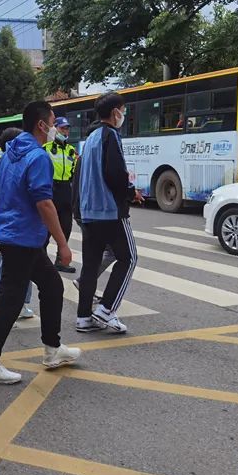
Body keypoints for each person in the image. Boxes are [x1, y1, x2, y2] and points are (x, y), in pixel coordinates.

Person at [0, 101, 82, 384]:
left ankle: (53, 348)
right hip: (22, 240)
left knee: (51, 286)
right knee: (9, 301)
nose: (56, 128)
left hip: (19, 238)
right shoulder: (38, 157)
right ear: (41, 125)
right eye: (53, 121)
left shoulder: (8, 155)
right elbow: (45, 203)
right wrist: (63, 244)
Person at [76, 92, 143, 335]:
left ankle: (83, 317)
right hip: (110, 211)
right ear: (115, 111)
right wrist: (130, 192)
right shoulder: (111, 136)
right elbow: (116, 173)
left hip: (89, 212)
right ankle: (106, 309)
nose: (123, 115)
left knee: (90, 265)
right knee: (129, 258)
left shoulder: (91, 137)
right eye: (122, 110)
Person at [0, 127, 34, 322]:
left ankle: (21, 305)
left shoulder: (8, 163)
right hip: (6, 225)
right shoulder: (2, 165)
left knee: (27, 268)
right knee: (4, 270)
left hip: (18, 226)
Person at [71, 118, 116, 307]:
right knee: (110, 252)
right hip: (89, 212)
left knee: (96, 253)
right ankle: (85, 284)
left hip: (83, 211)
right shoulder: (90, 156)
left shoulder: (84, 156)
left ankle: (85, 287)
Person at [42, 117, 78, 273]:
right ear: (54, 129)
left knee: (66, 227)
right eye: (62, 128)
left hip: (66, 190)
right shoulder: (46, 148)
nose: (65, 131)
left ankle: (61, 261)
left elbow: (74, 173)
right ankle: (41, 261)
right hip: (51, 189)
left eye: (67, 128)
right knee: (47, 229)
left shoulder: (71, 150)